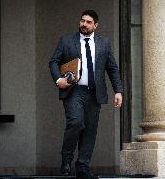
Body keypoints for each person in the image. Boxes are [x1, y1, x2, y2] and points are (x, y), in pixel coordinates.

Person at [49, 10, 123, 179]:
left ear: (95, 25)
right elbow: (54, 61)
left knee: (90, 130)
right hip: (74, 91)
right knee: (75, 122)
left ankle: (82, 166)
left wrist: (118, 90)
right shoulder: (67, 40)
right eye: (82, 20)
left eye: (88, 22)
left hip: (94, 93)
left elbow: (112, 68)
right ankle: (66, 159)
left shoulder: (104, 43)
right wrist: (58, 79)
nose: (84, 24)